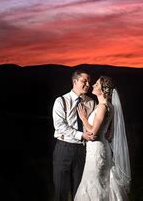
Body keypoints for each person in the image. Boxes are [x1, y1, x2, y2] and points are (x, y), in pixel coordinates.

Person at [74, 76, 131, 201]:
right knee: (100, 181)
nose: (93, 85)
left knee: (93, 182)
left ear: (103, 90)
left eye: (97, 84)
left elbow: (93, 132)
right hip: (102, 148)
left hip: (96, 152)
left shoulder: (102, 107)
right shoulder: (109, 106)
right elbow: (109, 135)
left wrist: (83, 118)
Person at [52, 70, 97, 201]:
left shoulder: (91, 102)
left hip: (83, 150)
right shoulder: (61, 101)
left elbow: (92, 125)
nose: (88, 84)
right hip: (64, 149)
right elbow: (60, 126)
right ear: (75, 82)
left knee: (79, 191)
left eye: (89, 81)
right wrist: (81, 135)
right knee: (61, 191)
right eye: (84, 81)